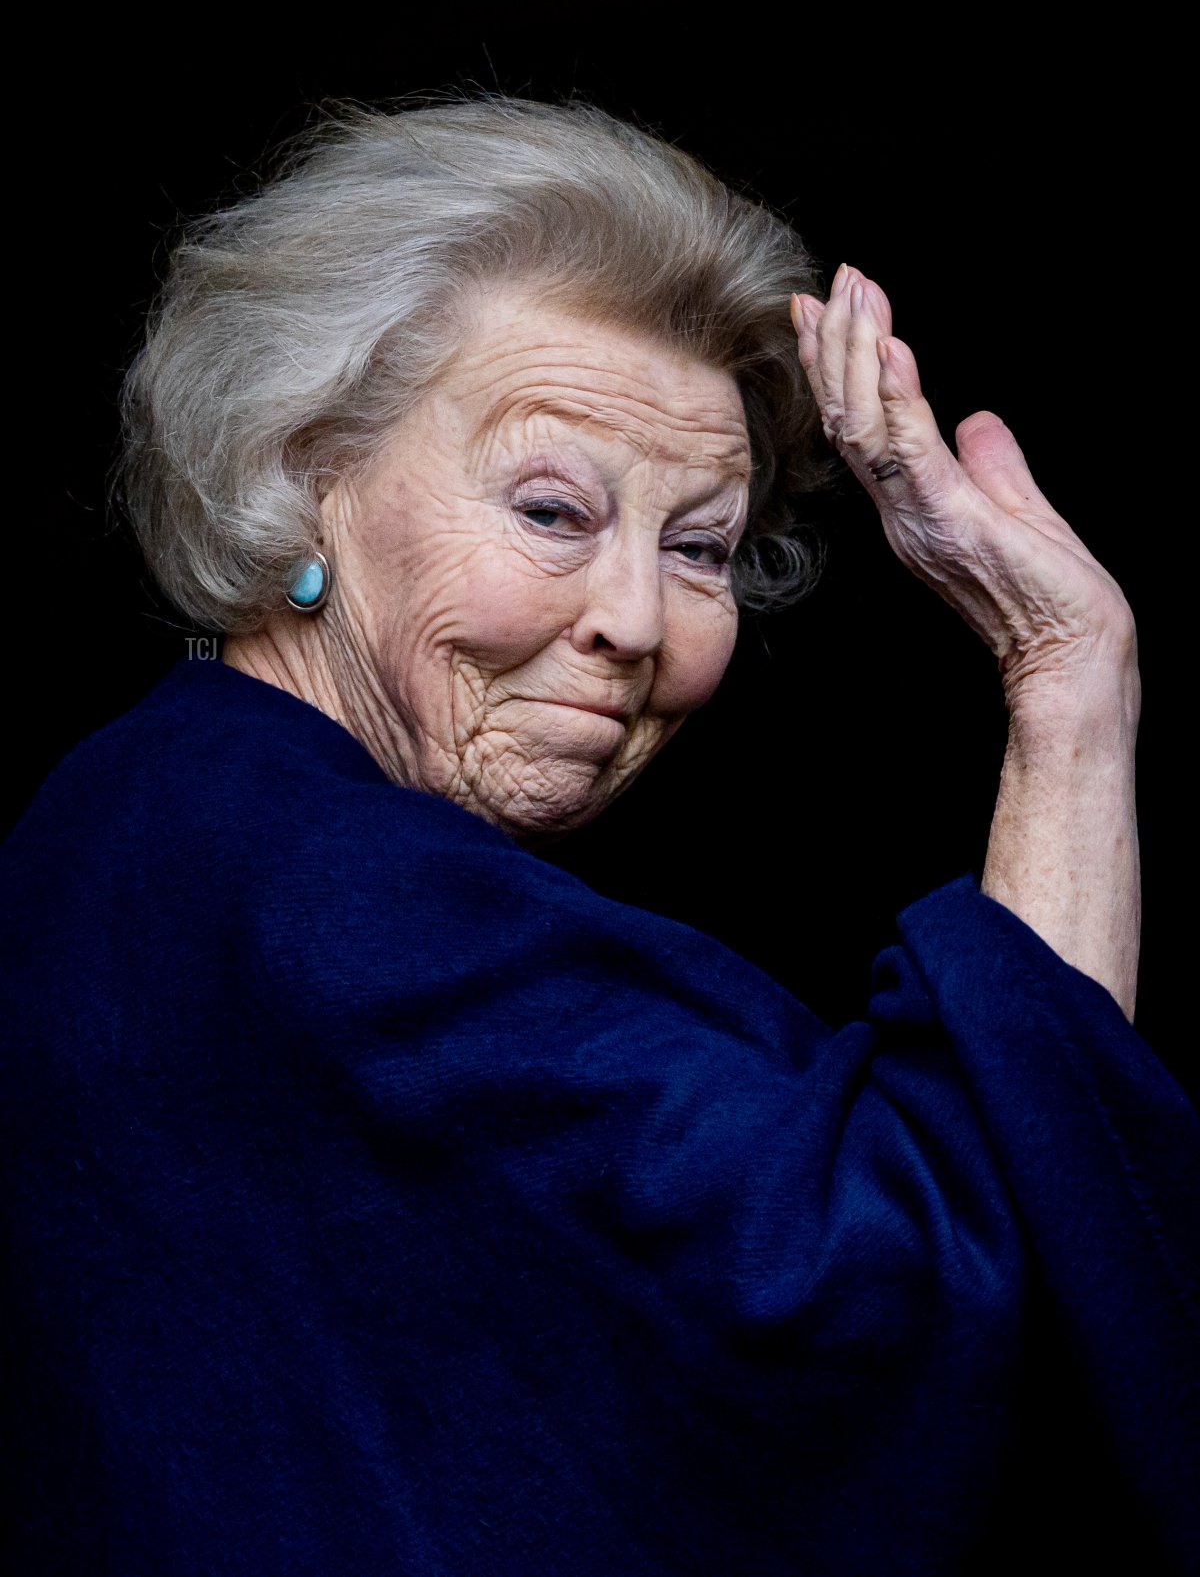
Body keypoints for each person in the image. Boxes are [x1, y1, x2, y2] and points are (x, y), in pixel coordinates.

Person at [3, 94, 1196, 1577]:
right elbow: (935, 1293)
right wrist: (1069, 680)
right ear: (307, 471)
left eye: (698, 547)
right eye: (554, 509)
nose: (637, 621)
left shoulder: (119, 818)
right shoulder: (339, 898)